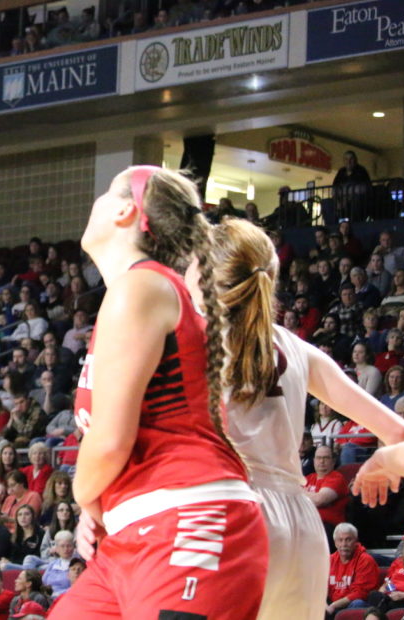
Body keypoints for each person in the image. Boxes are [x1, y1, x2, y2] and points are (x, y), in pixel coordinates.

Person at [51, 167, 268, 619]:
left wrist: (85, 496)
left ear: (125, 210)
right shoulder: (141, 290)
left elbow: (110, 442)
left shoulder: (143, 287)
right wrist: (103, 504)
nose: (94, 202)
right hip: (138, 528)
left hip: (190, 515)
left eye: (104, 193)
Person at [208, 218, 404, 620]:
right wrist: (386, 461)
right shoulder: (299, 348)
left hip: (235, 511)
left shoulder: (194, 338)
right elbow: (401, 433)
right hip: (302, 524)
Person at [327, 523, 381, 615]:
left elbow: (360, 593)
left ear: (356, 541)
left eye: (348, 540)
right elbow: (320, 589)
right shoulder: (329, 560)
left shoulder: (365, 560)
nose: (344, 544)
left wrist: (334, 605)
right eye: (340, 540)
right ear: (335, 543)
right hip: (333, 604)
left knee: (357, 603)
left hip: (354, 604)